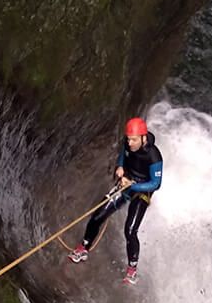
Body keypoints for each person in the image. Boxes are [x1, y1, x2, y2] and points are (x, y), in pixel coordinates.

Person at [68, 117, 163, 284]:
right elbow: (122, 157)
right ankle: (84, 248)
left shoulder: (154, 156)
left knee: (130, 230)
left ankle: (132, 269)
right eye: (128, 139)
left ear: (143, 137)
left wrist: (133, 186)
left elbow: (156, 184)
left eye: (133, 140)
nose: (130, 143)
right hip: (126, 183)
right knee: (97, 215)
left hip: (142, 191)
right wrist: (120, 167)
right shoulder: (128, 144)